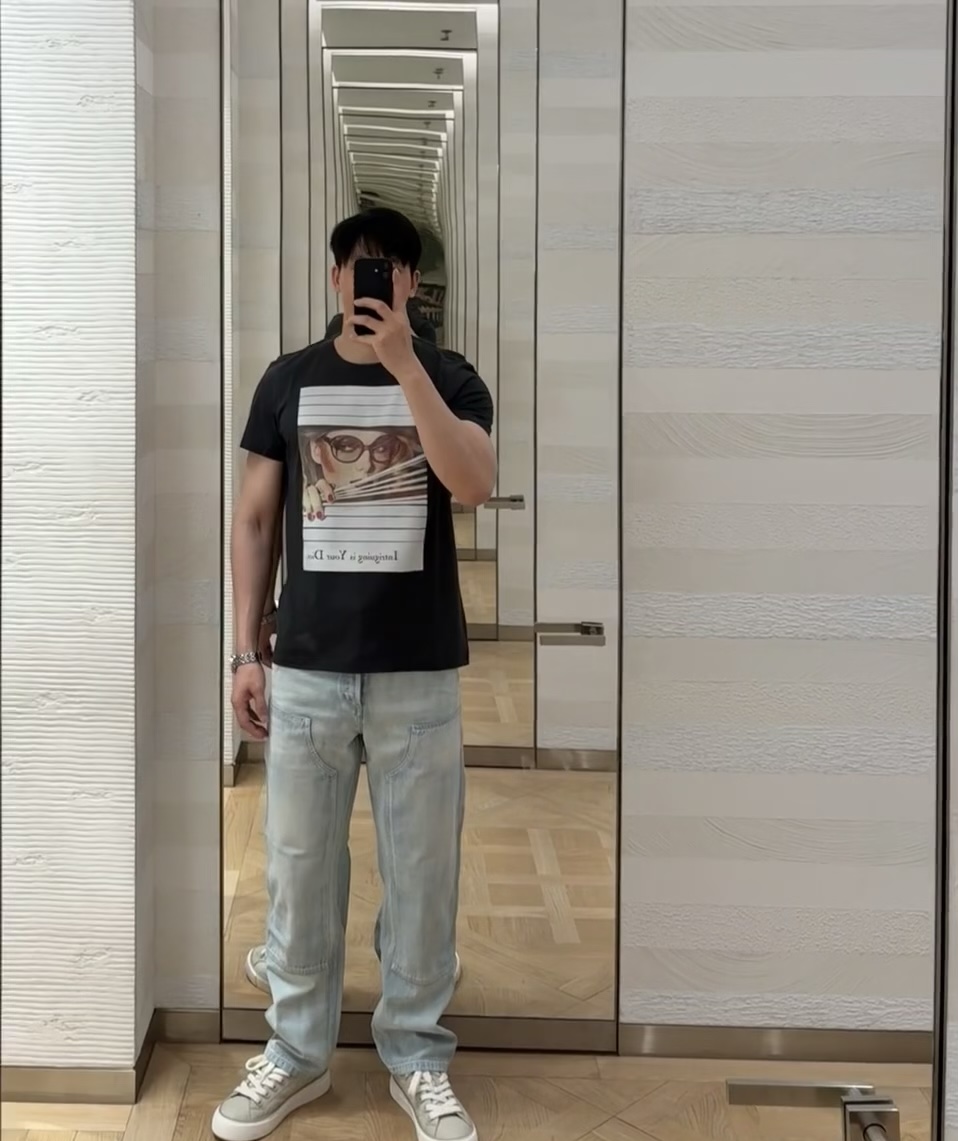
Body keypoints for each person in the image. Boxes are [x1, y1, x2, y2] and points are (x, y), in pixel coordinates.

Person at [213, 206, 496, 1141]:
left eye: (392, 270)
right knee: (297, 869)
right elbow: (255, 519)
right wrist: (245, 650)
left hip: (417, 669)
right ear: (336, 278)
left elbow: (473, 482)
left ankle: (416, 1054)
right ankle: (295, 1053)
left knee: (422, 872)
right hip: (306, 669)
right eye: (360, 267)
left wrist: (408, 367)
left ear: (410, 285)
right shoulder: (288, 379)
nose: (375, 282)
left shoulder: (448, 375)